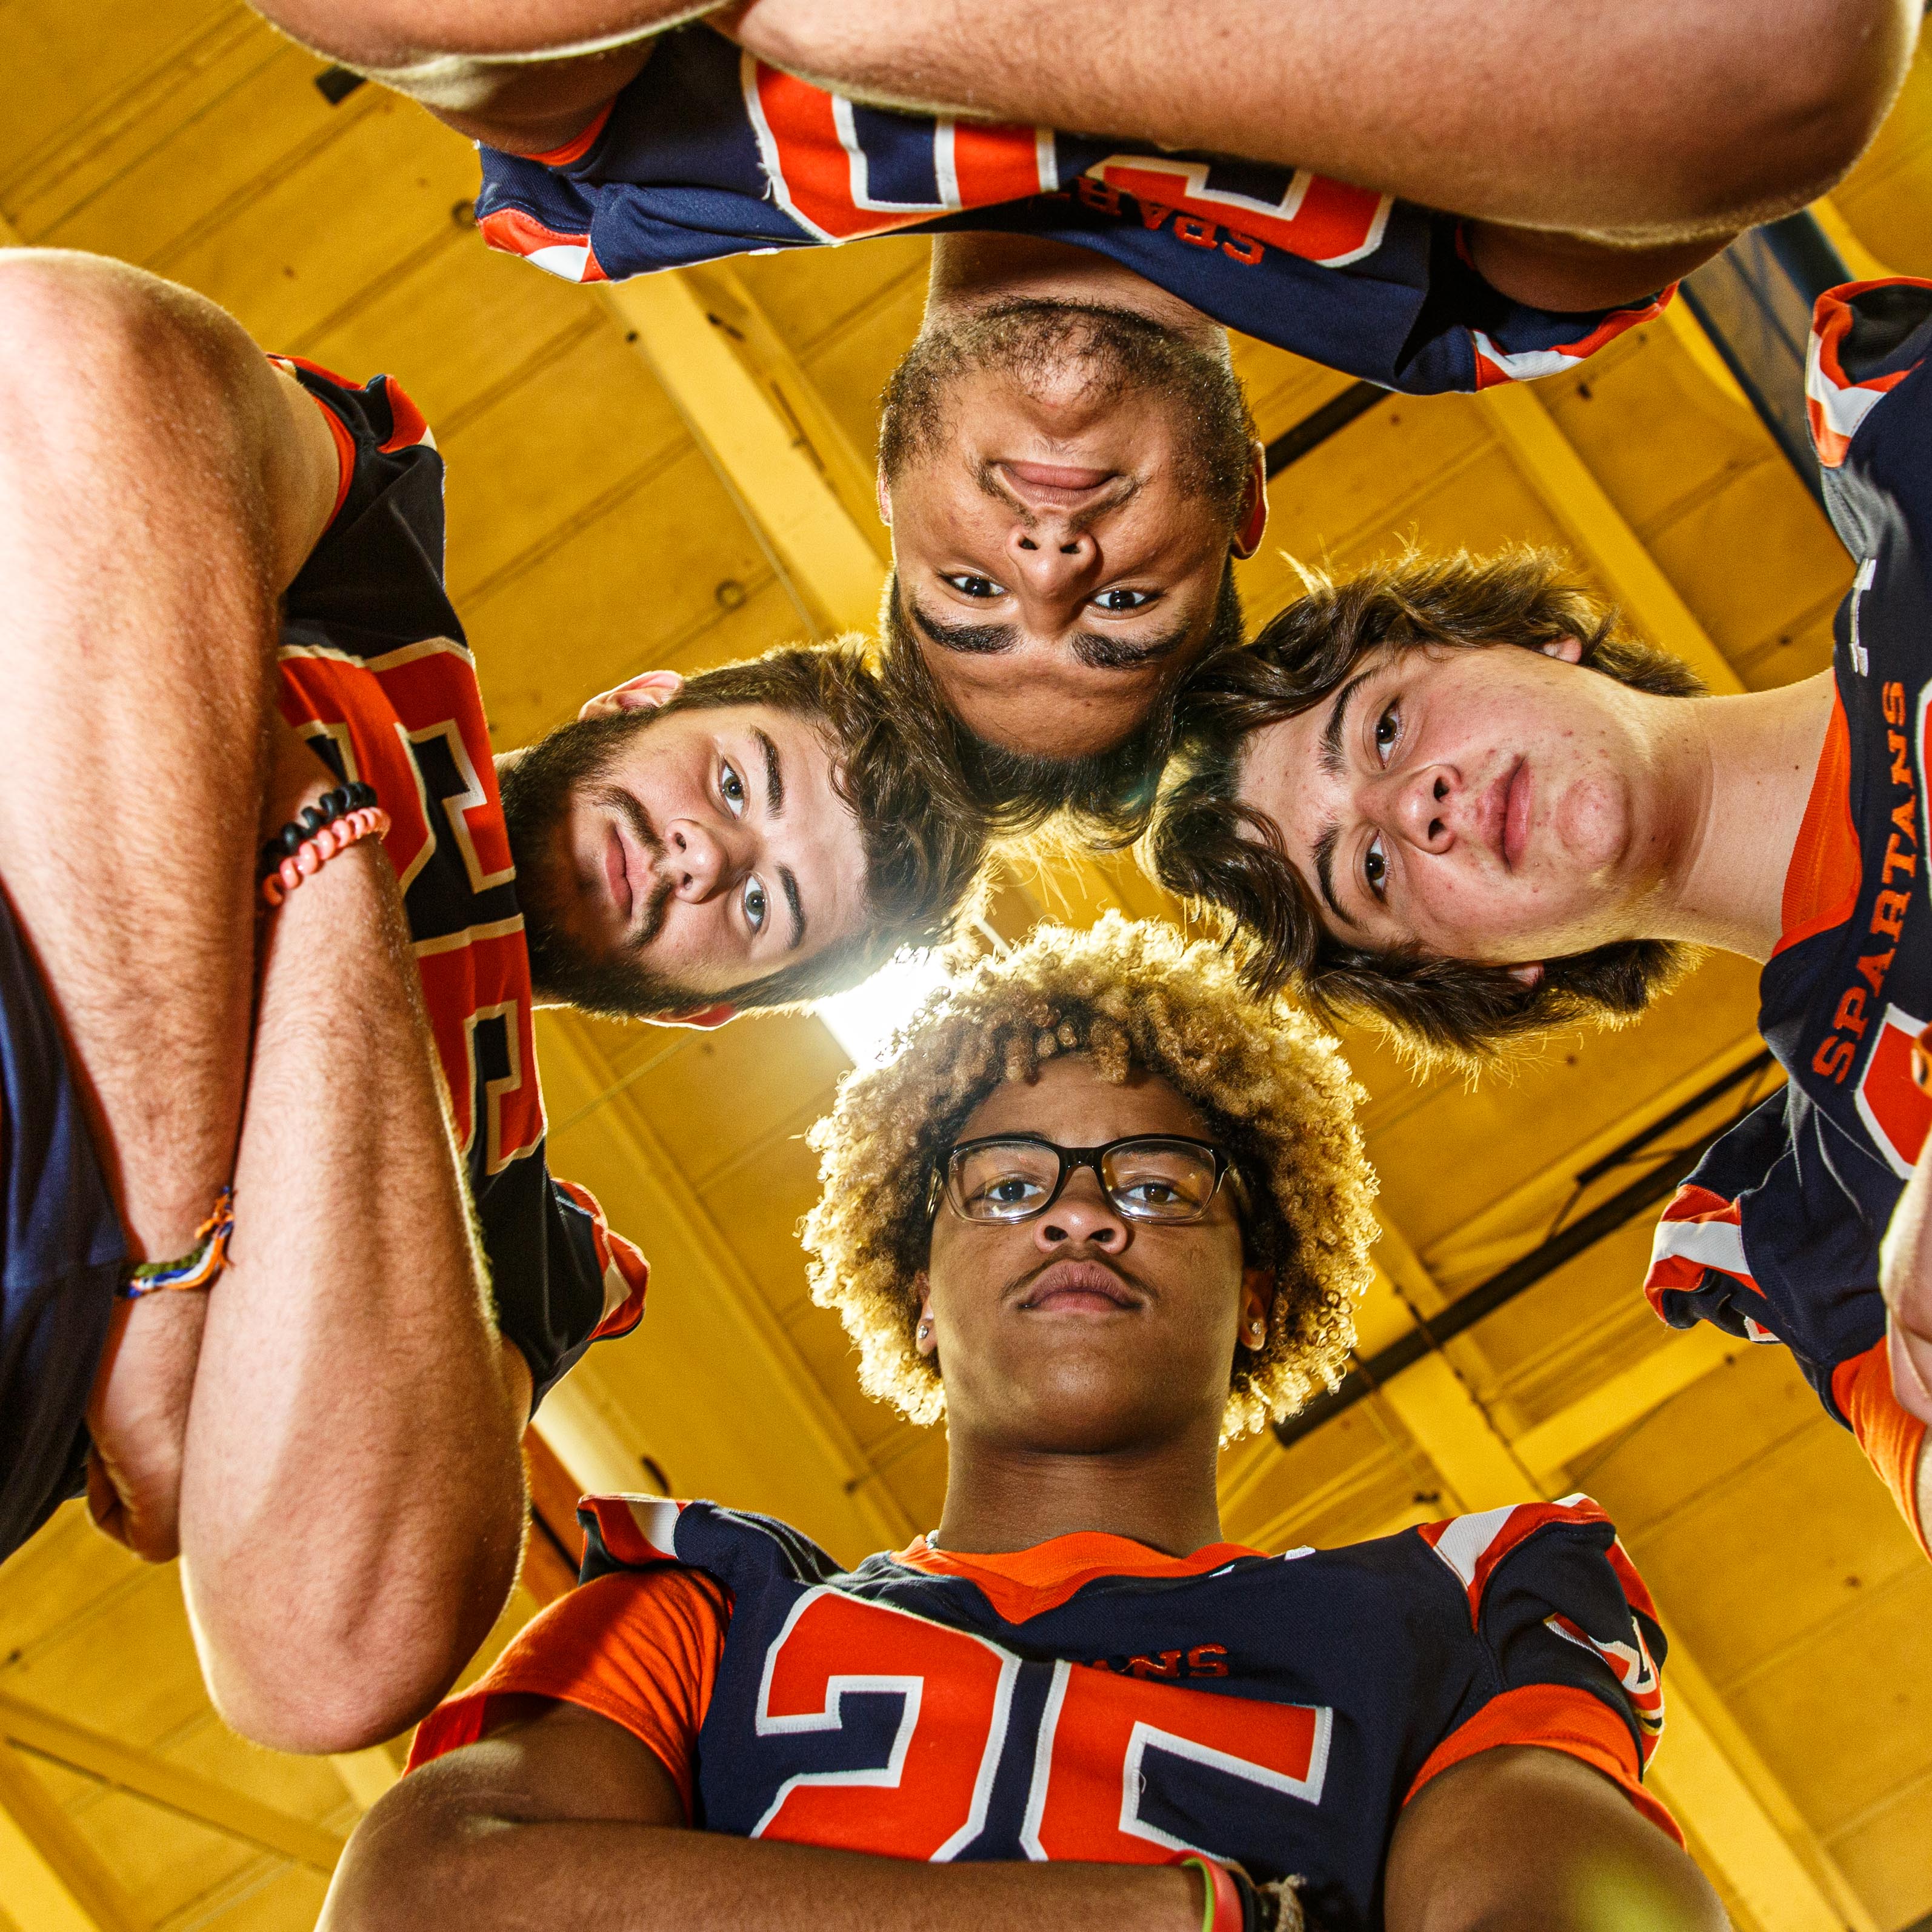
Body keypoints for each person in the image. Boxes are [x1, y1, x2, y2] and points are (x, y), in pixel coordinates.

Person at [0, 248, 987, 1753]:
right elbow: (70, 351)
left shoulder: (533, 1260)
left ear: (706, 1008)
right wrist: (167, 1284)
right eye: (737, 784)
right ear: (638, 701)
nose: (704, 855)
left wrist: (323, 857)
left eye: (761, 909)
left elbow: (330, 1652)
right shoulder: (374, 549)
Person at [317, 917, 1720, 1932]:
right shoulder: (700, 1616)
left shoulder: (1450, 1619)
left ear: (1259, 1295)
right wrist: (1159, 1913)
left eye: (1158, 1183)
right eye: (1003, 1185)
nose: (1080, 1212)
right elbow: (426, 1896)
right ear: (918, 1295)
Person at [244, 2, 1919, 833]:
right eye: (1124, 612)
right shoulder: (1453, 308)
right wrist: (892, 32)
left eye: (970, 594)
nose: (1049, 562)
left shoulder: (633, 203)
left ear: (889, 487)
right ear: (1242, 502)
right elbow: (1779, 70)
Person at [1148, 275, 1932, 1564]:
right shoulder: (1813, 1222)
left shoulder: (1900, 432)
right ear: (1480, 968)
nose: (1417, 805)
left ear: (1522, 639)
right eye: (1371, 872)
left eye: (1383, 730)